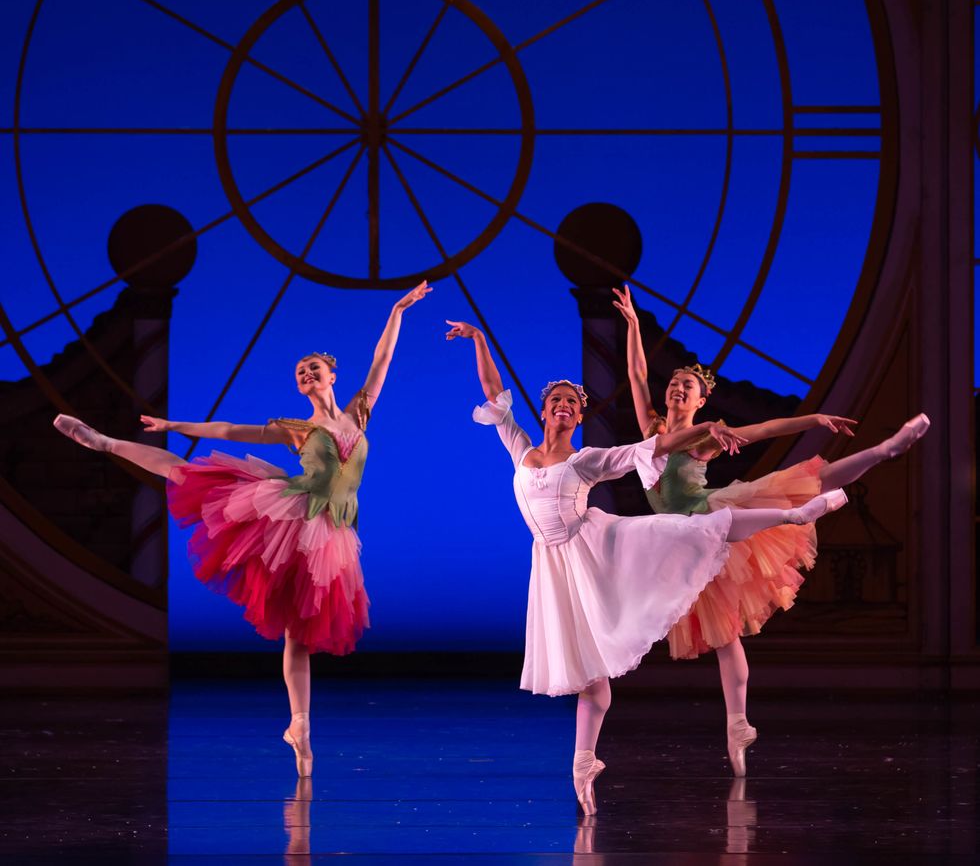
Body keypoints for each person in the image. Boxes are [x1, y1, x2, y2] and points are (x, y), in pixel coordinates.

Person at [446, 319, 848, 815]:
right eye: (558, 400)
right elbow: (492, 391)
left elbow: (655, 446)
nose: (565, 406)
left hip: (594, 548)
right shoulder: (520, 450)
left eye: (574, 402)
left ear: (578, 416)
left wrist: (708, 428)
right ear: (546, 409)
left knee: (691, 529)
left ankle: (794, 513)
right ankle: (583, 764)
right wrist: (481, 340)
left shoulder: (587, 459)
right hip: (553, 572)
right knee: (591, 674)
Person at [53, 282, 432, 777]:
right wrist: (176, 425)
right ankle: (105, 443)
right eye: (300, 372)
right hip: (288, 516)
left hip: (333, 535)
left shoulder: (360, 411)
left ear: (332, 375)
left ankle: (300, 725)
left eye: (313, 368)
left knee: (299, 634)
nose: (306, 373)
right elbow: (232, 431)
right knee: (187, 472)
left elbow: (382, 359)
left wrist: (398, 308)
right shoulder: (299, 428)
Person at [612, 284, 930, 776]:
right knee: (725, 636)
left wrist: (814, 418)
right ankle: (737, 726)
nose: (677, 389)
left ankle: (888, 449)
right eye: (673, 383)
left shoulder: (708, 435)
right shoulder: (652, 429)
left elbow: (767, 428)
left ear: (700, 401)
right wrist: (633, 325)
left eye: (687, 387)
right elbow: (635, 373)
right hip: (674, 545)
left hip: (711, 518)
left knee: (805, 482)